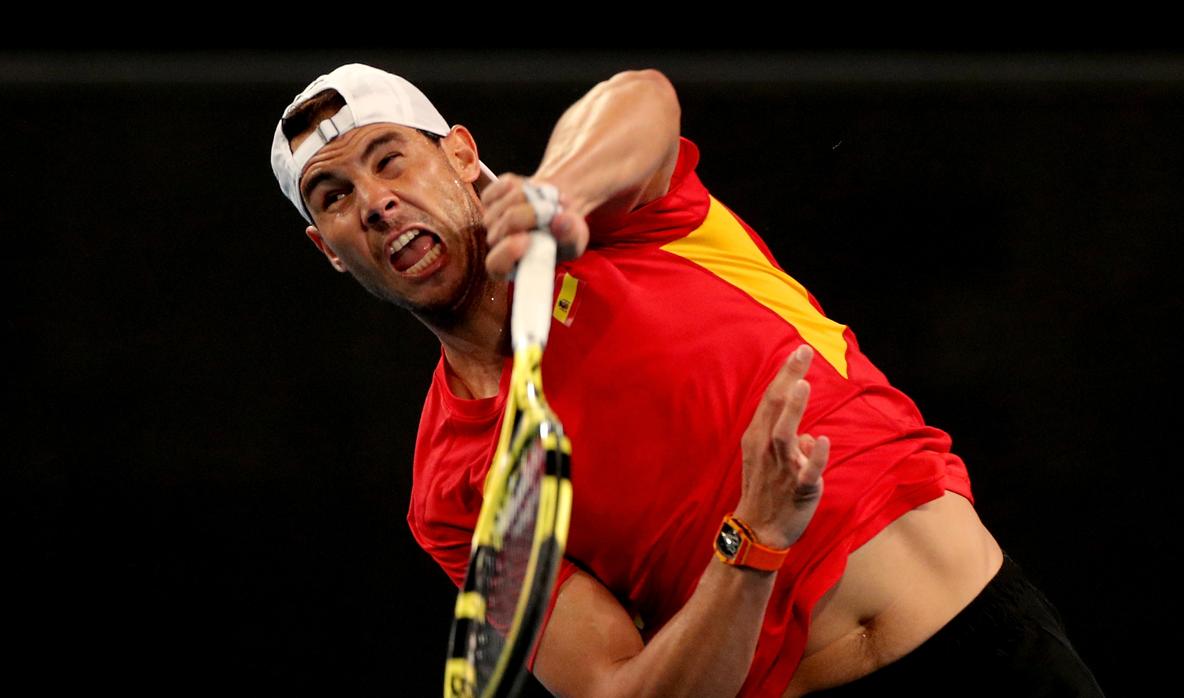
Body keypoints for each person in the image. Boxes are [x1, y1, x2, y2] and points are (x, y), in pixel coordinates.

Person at [269, 63, 1104, 696]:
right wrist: (754, 538)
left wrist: (562, 195)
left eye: (392, 161)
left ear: (460, 154)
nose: (375, 202)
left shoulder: (624, 222)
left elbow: (642, 97)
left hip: (992, 652)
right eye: (334, 196)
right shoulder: (452, 487)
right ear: (329, 251)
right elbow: (617, 689)